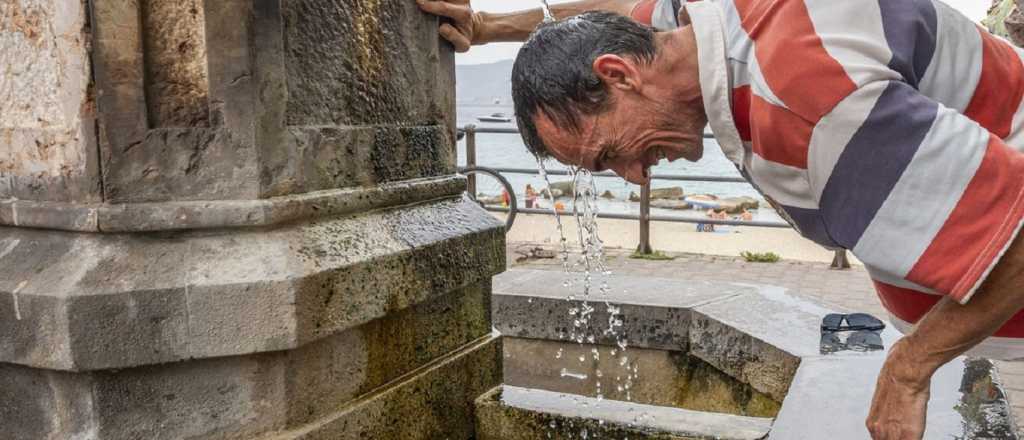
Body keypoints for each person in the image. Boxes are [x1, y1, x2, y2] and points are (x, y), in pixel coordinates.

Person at [417, 0, 1024, 438]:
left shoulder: (808, 105)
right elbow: (611, 11)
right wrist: (492, 26)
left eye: (610, 155)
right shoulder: (700, 22)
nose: (636, 177)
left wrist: (910, 368)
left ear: (618, 74)